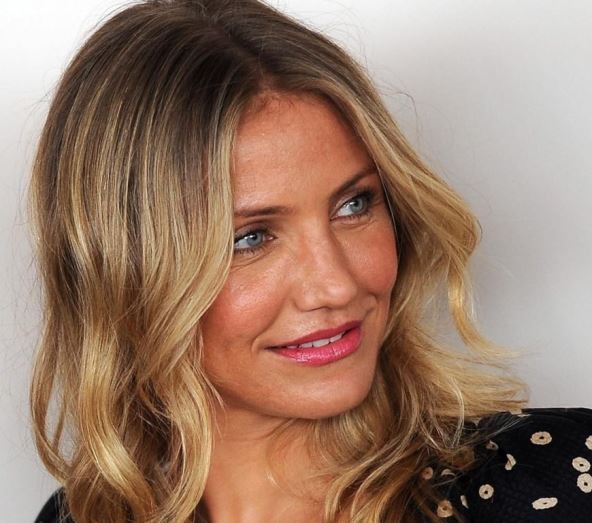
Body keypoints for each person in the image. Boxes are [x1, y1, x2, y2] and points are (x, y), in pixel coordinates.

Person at [28, 1, 592, 522]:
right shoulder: (82, 515)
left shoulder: (553, 482)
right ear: (124, 274)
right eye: (250, 238)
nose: (337, 285)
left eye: (354, 205)